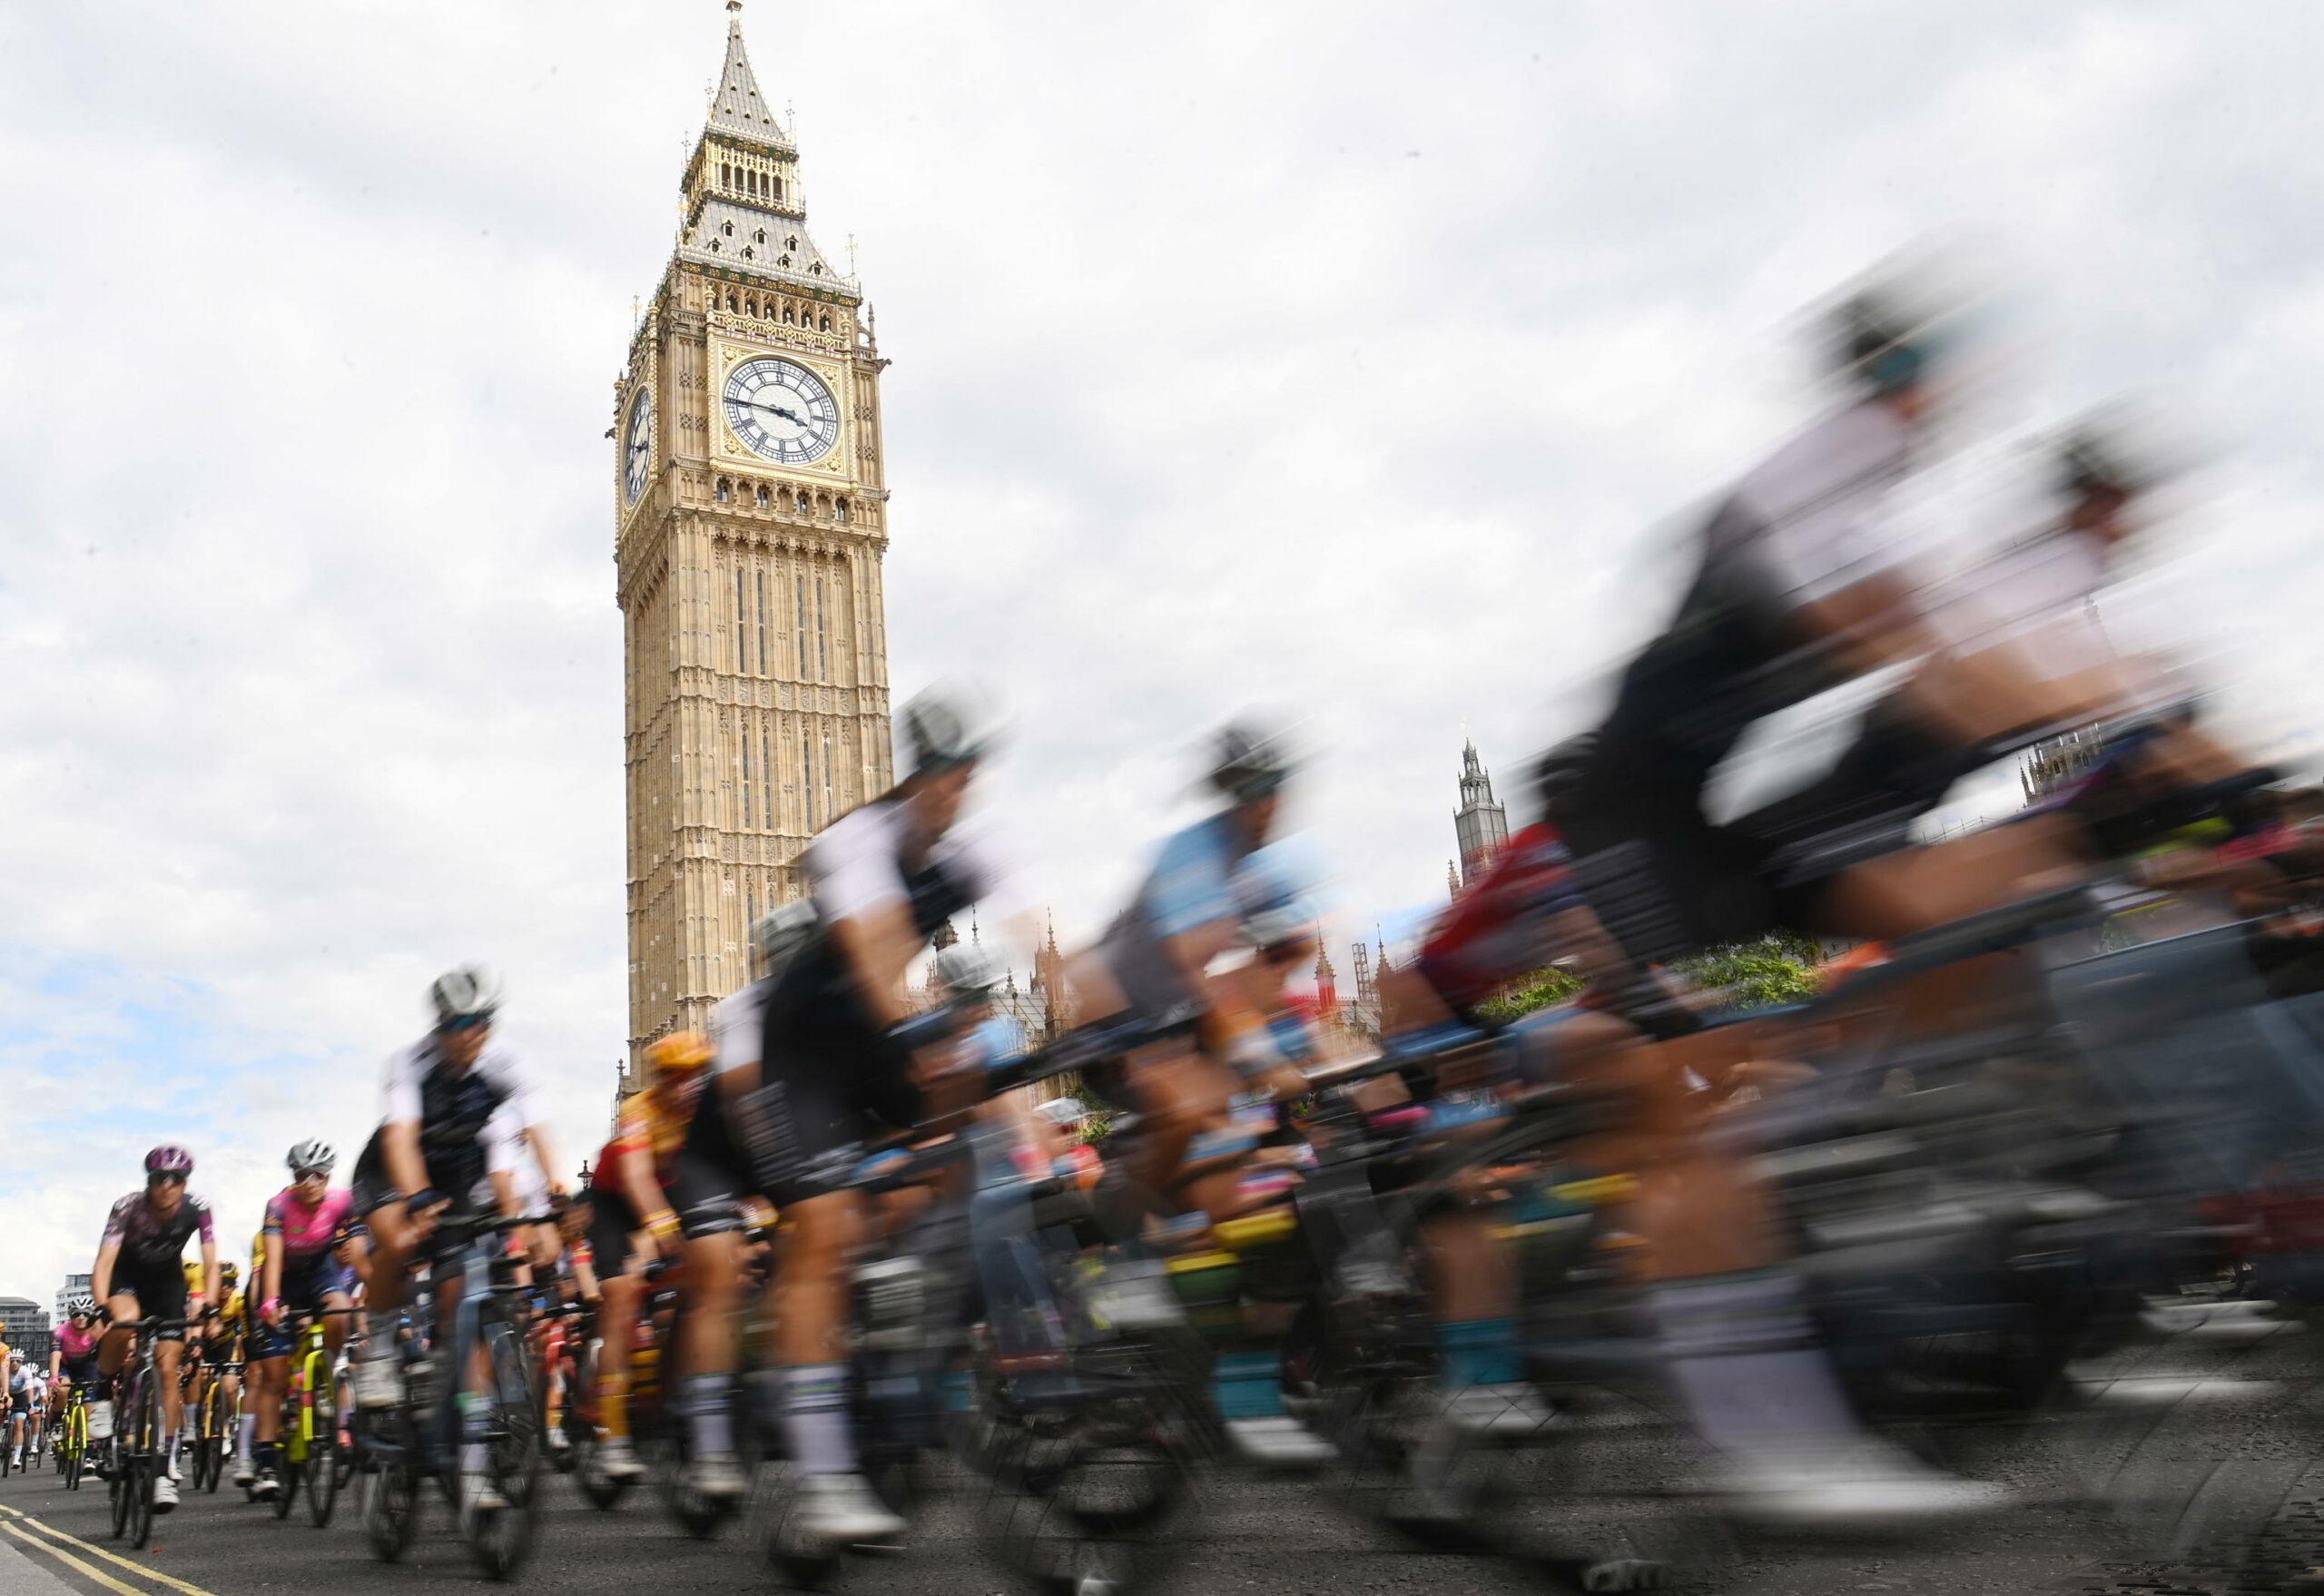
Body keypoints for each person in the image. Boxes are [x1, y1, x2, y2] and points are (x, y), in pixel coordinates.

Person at [715, 683, 1014, 1542]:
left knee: (961, 1160)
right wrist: (920, 1039)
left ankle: (915, 1340)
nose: (954, 792)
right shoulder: (855, 842)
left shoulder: (972, 846)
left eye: (966, 775)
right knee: (825, 1234)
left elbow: (1034, 929)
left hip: (878, 1043)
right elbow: (878, 956)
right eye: (940, 776)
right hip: (806, 1051)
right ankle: (818, 1471)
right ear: (916, 779)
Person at [346, 965, 565, 1513]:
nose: (471, 1033)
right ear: (440, 1026)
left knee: (459, 1312)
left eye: (482, 1021)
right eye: (458, 1023)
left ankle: (468, 1464)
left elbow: (536, 1128)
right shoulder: (409, 1064)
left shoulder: (505, 1064)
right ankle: (378, 1349)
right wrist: (416, 1198)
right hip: (395, 1171)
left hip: (458, 1177)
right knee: (399, 1242)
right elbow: (400, 1139)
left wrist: (551, 1201)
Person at [587, 1030, 717, 1484]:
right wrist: (662, 1230)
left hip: (673, 1196)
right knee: (622, 1295)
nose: (689, 1087)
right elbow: (638, 1180)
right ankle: (613, 1436)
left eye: (698, 1076)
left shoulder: (709, 1113)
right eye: (677, 1078)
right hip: (615, 1204)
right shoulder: (638, 1111)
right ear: (660, 1080)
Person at [90, 1144, 216, 1510]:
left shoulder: (198, 1208)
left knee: (167, 1370)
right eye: (160, 1178)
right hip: (127, 1279)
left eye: (176, 1179)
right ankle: (102, 1393)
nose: (167, 1185)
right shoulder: (127, 1206)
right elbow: (104, 1262)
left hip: (167, 1286)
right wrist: (102, 1306)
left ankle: (162, 1470)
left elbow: (210, 1260)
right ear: (149, 1181)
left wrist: (206, 1304)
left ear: (185, 1183)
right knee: (124, 1321)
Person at [245, 1140, 356, 1499]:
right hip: (287, 1278)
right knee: (274, 1377)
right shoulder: (278, 1205)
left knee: (341, 1308)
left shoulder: (343, 1201)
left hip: (320, 1273)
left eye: (318, 1175)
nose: (310, 1182)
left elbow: (357, 1251)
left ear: (328, 1177)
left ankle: (331, 1369)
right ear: (293, 1177)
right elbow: (273, 1259)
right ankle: (264, 1461)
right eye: (302, 1175)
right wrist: (272, 1301)